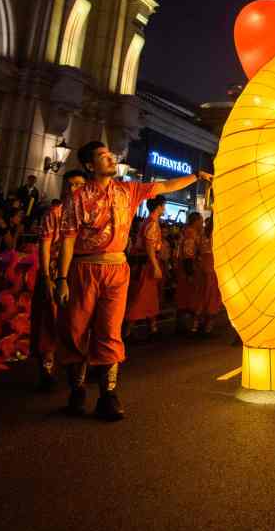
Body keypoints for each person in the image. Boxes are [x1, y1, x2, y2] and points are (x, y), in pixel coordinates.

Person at [55, 141, 210, 421]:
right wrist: (62, 278)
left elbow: (166, 186)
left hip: (117, 269)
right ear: (90, 166)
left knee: (110, 330)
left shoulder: (128, 190)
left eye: (109, 154)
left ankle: (108, 394)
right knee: (77, 329)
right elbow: (67, 239)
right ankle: (77, 390)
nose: (110, 158)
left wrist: (196, 176)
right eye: (102, 156)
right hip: (84, 268)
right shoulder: (77, 198)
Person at [32, 169, 86, 392]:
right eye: (71, 185)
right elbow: (44, 246)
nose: (75, 189)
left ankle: (79, 370)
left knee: (76, 321)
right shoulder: (55, 213)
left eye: (80, 185)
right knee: (49, 320)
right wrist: (46, 277)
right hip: (54, 272)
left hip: (78, 272)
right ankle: (46, 368)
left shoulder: (88, 213)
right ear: (64, 187)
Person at [125, 197, 166, 340]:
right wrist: (155, 266)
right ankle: (128, 331)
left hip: (145, 263)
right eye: (163, 206)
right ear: (159, 207)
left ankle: (153, 327)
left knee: (148, 296)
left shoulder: (147, 222)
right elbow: (149, 246)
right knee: (141, 297)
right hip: (147, 265)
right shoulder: (152, 223)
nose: (164, 209)